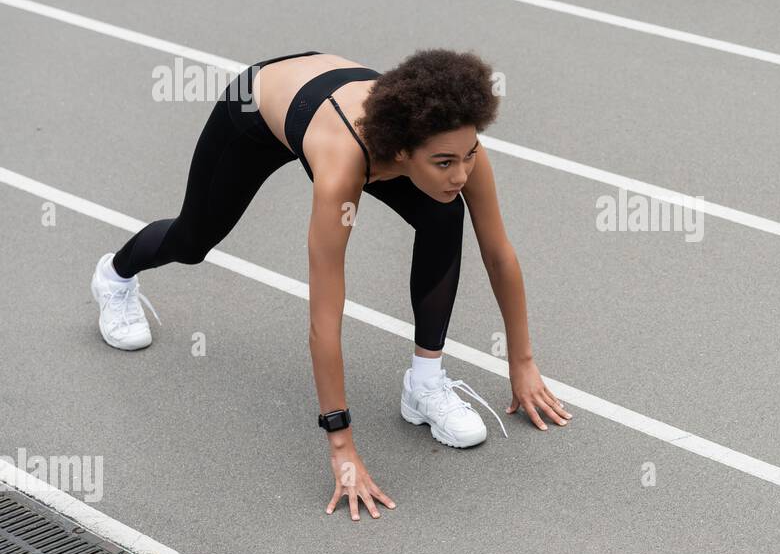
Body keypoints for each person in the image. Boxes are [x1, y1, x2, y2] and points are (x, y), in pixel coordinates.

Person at [89, 49, 572, 522]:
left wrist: (523, 363)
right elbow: (325, 313)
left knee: (446, 212)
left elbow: (498, 252)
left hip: (343, 102)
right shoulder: (341, 172)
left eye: (468, 156)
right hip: (258, 107)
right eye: (446, 162)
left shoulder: (453, 143)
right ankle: (115, 276)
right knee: (193, 240)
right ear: (404, 152)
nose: (462, 172)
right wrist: (341, 445)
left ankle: (424, 385)